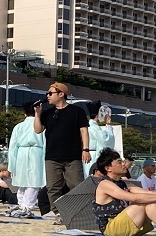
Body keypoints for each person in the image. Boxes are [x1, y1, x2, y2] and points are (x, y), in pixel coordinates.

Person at [33, 82, 90, 220]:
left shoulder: (77, 111)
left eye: (50, 93)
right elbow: (38, 130)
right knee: (53, 187)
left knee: (76, 186)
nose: (48, 96)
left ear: (61, 94)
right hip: (52, 156)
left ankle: (77, 213)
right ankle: (58, 213)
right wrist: (37, 114)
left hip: (73, 155)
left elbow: (84, 131)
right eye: (47, 93)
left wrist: (86, 149)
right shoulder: (48, 113)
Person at [8, 102, 46, 214]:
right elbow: (45, 143)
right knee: (34, 180)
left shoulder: (18, 126)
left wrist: (11, 165)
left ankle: (21, 204)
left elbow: (12, 147)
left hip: (21, 153)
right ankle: (27, 206)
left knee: (22, 180)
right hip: (36, 152)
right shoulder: (42, 125)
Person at [84, 100, 114, 177]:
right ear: (98, 115)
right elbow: (105, 141)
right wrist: (108, 126)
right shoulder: (95, 127)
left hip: (87, 153)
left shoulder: (88, 125)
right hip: (93, 156)